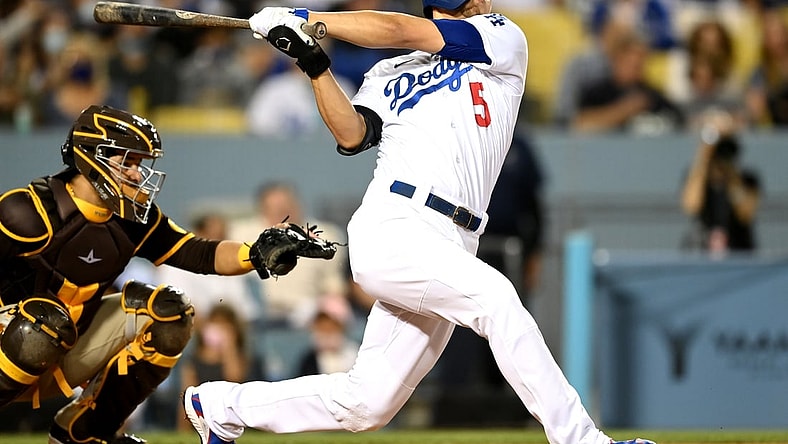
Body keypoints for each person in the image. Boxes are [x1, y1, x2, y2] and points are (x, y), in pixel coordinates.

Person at [184, 2, 654, 444]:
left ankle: (220, 405)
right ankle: (581, 439)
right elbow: (351, 133)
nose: (485, 1)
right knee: (496, 300)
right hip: (395, 223)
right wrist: (314, 65)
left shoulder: (502, 36)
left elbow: (400, 29)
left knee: (366, 403)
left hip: (454, 238)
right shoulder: (389, 71)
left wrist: (310, 18)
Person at [0, 104, 304, 444]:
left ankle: (85, 432)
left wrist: (256, 253)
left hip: (65, 345)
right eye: (127, 162)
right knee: (44, 322)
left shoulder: (133, 221)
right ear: (92, 158)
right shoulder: (26, 211)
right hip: (11, 342)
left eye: (139, 163)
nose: (136, 173)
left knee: (170, 312)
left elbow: (198, 252)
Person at [230, 181, 348, 329]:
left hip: (307, 315)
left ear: (299, 204)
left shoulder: (326, 235)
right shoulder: (240, 234)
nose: (282, 212)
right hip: (256, 315)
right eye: (275, 208)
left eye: (287, 205)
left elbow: (334, 287)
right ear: (262, 209)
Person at [680, 112, 761, 253]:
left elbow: (745, 214)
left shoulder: (747, 179)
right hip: (701, 252)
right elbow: (691, 206)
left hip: (739, 252)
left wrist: (731, 172)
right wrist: (705, 154)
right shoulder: (696, 176)